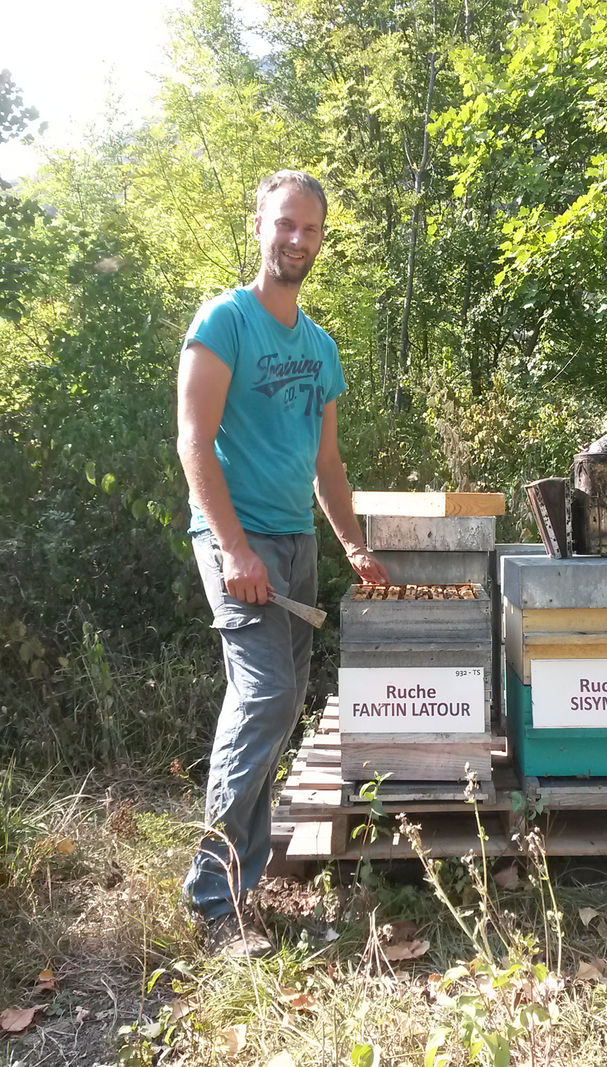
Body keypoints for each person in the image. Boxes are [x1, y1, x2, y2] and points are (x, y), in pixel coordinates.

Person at [176, 170, 388, 956]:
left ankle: (243, 872)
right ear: (258, 226)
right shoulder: (225, 321)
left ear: (322, 238)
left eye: (310, 229)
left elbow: (328, 464)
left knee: (285, 698)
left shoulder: (321, 345)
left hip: (296, 542)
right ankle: (212, 901)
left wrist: (353, 542)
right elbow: (193, 440)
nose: (296, 239)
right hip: (239, 542)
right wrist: (233, 548)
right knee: (264, 699)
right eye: (284, 225)